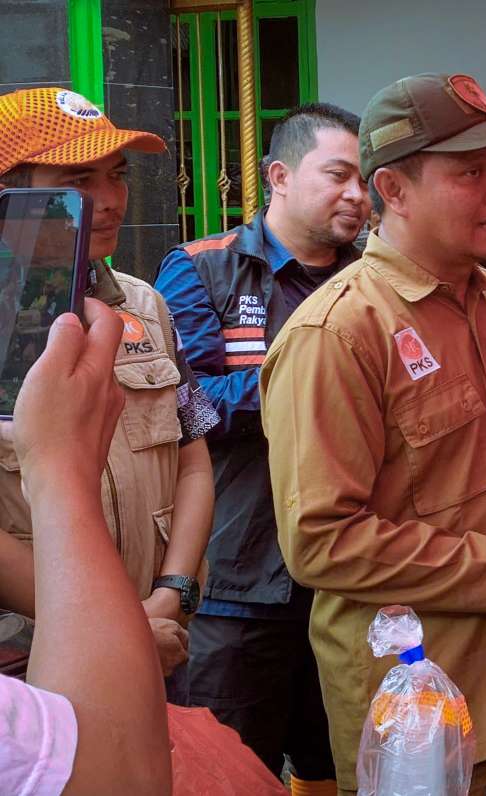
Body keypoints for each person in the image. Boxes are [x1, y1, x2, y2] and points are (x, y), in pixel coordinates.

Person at [260, 72, 486, 796]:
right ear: (391, 190)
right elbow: (319, 541)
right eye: (469, 173)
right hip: (414, 711)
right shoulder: (338, 332)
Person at [155, 102, 368, 791]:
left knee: (336, 762)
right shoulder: (200, 271)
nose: (358, 196)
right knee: (224, 770)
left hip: (349, 576)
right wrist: (310, 386)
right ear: (279, 174)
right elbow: (185, 407)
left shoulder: (373, 284)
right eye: (338, 175)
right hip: (234, 582)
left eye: (366, 180)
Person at [0, 87, 219, 689]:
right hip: (33, 670)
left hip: (160, 640)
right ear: (11, 196)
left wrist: (173, 591)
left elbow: (192, 459)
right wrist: (113, 624)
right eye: (76, 180)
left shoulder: (144, 305)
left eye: (116, 176)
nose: (108, 200)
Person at [0, 299, 171, 795]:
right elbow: (121, 771)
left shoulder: (147, 305)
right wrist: (60, 471)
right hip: (59, 650)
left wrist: (176, 587)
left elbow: (194, 447)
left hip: (145, 618)